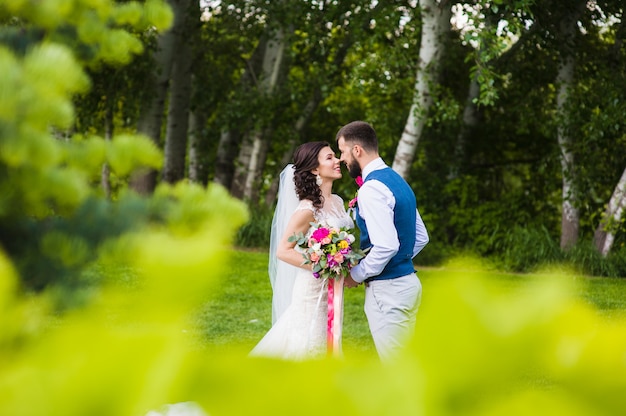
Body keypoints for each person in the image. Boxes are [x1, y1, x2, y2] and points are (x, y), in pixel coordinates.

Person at [250, 141, 353, 360]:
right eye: (329, 158)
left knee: (330, 340)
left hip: (333, 288)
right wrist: (324, 264)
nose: (338, 161)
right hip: (312, 288)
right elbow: (283, 251)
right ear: (315, 169)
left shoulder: (337, 202)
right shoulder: (307, 209)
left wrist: (343, 261)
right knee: (309, 343)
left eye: (336, 156)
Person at [336, 121, 429, 362]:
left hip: (387, 291)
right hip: (409, 284)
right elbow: (420, 237)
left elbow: (387, 245)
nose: (341, 159)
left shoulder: (371, 189)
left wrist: (356, 275)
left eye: (343, 151)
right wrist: (400, 261)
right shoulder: (397, 180)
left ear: (357, 150)